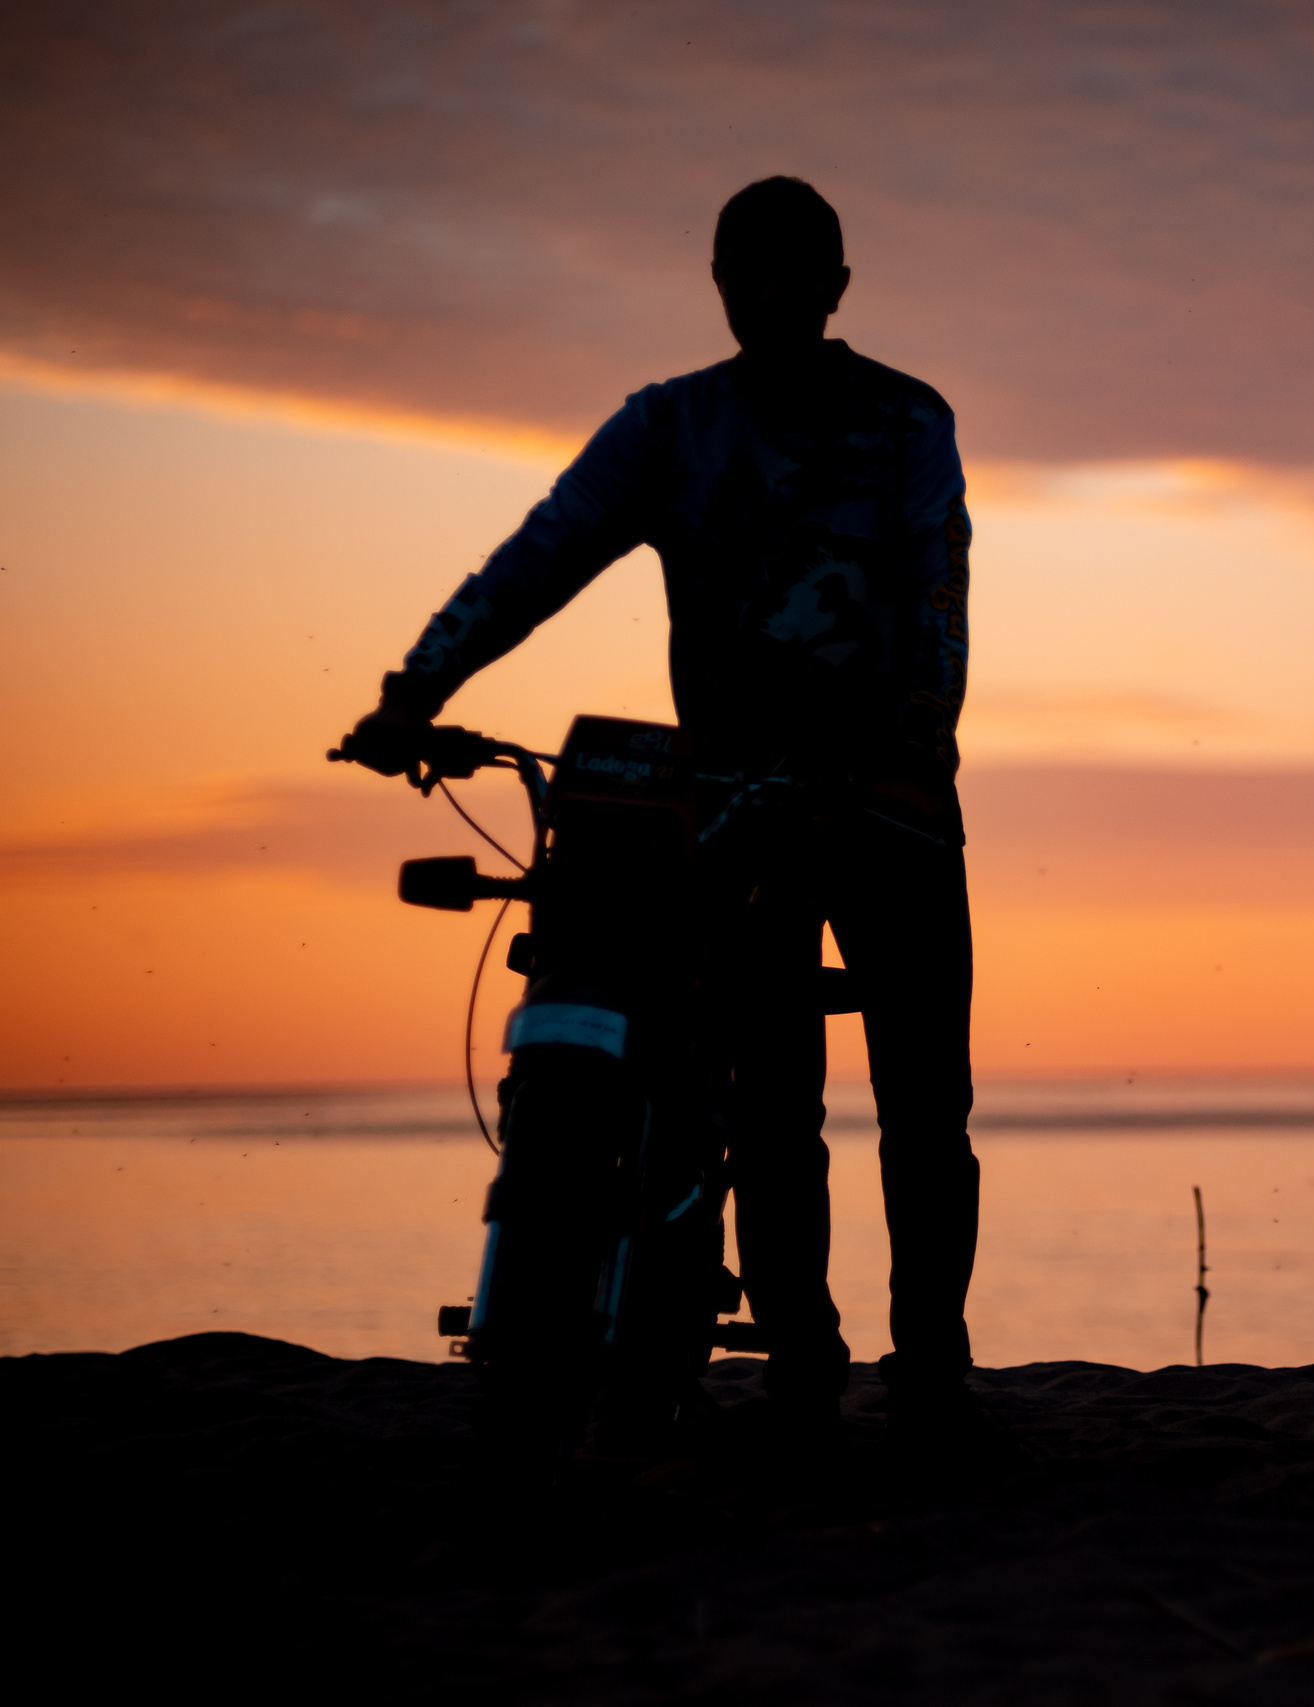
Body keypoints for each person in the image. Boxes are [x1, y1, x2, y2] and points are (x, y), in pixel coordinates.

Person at [341, 176, 983, 1441]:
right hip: (734, 804)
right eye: (749, 274)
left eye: (800, 275)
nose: (774, 297)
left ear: (838, 287)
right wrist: (414, 691)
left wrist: (915, 719)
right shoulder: (668, 430)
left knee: (923, 1100)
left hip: (890, 797)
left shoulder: (909, 422)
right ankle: (803, 1356)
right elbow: (539, 555)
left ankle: (931, 1372)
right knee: (769, 1098)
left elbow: (938, 591)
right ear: (719, 285)